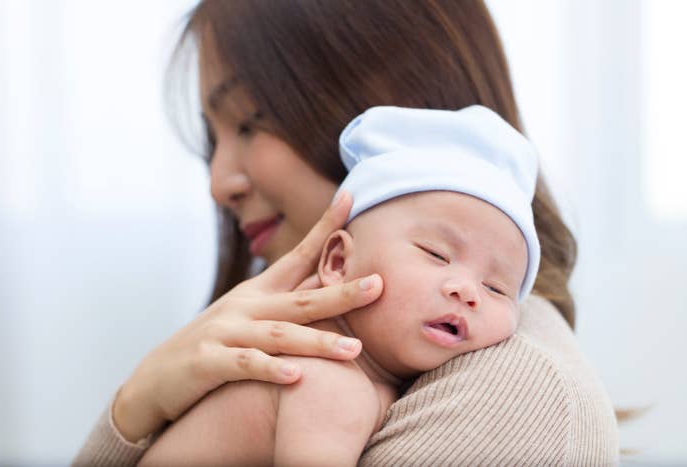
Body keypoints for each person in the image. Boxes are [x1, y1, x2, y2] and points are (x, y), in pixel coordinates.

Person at [73, 1, 619, 465]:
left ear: (392, 89)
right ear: (337, 258)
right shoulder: (321, 352)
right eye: (216, 139)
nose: (219, 184)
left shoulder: (515, 395)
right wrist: (135, 406)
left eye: (250, 121)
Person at [137, 104, 541, 465]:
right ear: (338, 261)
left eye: (497, 288)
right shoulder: (327, 385)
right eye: (436, 254)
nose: (467, 291)